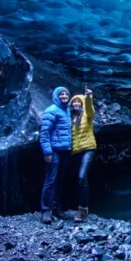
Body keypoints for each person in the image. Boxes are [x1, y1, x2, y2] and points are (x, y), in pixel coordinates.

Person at [39, 86, 73, 224]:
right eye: (62, 94)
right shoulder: (51, 111)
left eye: (66, 94)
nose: (64, 96)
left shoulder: (67, 111)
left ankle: (56, 209)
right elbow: (44, 133)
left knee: (60, 179)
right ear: (56, 96)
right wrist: (47, 152)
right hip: (54, 150)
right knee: (50, 180)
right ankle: (45, 211)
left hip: (65, 150)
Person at [69, 86, 97, 221]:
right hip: (76, 151)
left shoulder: (87, 114)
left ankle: (83, 209)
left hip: (88, 149)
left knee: (81, 177)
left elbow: (90, 109)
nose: (75, 104)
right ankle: (79, 206)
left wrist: (88, 98)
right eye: (73, 102)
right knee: (81, 179)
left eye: (78, 102)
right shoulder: (72, 118)